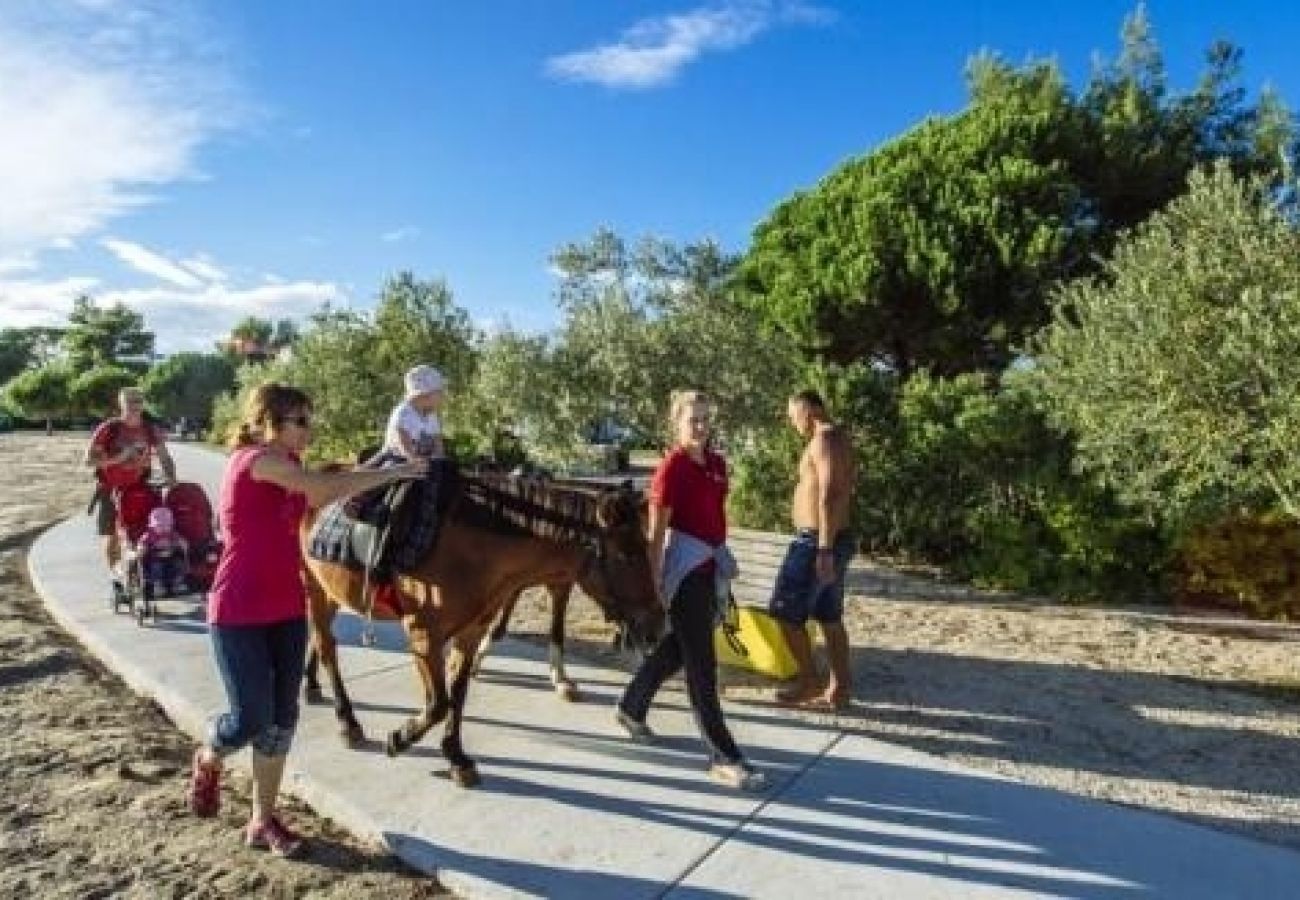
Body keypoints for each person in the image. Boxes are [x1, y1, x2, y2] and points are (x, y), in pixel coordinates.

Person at [186, 383, 427, 857]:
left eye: (308, 419)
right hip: (238, 609)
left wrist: (381, 467)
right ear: (267, 421)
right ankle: (209, 756)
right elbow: (322, 489)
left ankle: (262, 820)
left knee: (281, 720)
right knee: (249, 718)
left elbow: (325, 495)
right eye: (300, 420)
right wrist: (394, 470)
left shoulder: (289, 465)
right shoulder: (253, 461)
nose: (309, 430)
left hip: (287, 610)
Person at [613, 390, 768, 792]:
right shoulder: (671, 468)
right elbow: (657, 533)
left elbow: (716, 515)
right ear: (677, 424)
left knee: (680, 649)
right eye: (692, 420)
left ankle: (631, 707)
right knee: (702, 665)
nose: (700, 426)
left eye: (704, 418)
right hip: (685, 572)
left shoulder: (716, 464)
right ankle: (723, 756)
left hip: (710, 566)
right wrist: (657, 583)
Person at [769, 390, 858, 710]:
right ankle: (840, 688)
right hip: (829, 540)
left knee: (784, 612)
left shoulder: (825, 439)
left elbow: (832, 493)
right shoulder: (835, 438)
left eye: (794, 416)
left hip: (817, 543)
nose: (794, 424)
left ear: (808, 411)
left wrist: (823, 549)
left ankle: (809, 681)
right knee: (827, 615)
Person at [84, 387, 177, 594]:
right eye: (130, 401)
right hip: (110, 489)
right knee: (112, 537)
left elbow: (164, 456)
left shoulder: (150, 429)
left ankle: (144, 575)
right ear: (121, 405)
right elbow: (88, 461)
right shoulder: (109, 429)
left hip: (140, 488)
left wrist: (171, 477)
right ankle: (117, 578)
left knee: (147, 533)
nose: (135, 405)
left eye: (138, 401)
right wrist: (118, 458)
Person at [381, 364, 445, 461]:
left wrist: (438, 459)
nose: (441, 396)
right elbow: (404, 446)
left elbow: (437, 442)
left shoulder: (431, 414)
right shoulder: (404, 413)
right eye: (438, 392)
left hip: (423, 462)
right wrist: (416, 461)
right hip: (397, 461)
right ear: (424, 394)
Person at [139, 506, 189, 595]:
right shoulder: (150, 535)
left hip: (171, 556)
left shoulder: (172, 534)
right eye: (159, 526)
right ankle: (158, 585)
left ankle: (177, 583)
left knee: (178, 564)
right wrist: (142, 548)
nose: (163, 529)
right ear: (153, 526)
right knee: (156, 568)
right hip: (155, 558)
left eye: (166, 526)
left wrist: (183, 544)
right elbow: (142, 542)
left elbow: (180, 540)